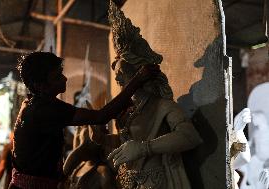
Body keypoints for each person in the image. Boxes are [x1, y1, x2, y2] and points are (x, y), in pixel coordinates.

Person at [10, 51, 159, 189]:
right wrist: (137, 80)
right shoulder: (46, 109)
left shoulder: (32, 103)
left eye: (61, 73)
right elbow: (101, 117)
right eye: (56, 77)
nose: (64, 78)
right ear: (40, 86)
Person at [107, 2, 202, 188]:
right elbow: (127, 142)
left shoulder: (163, 106)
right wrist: (103, 139)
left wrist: (144, 148)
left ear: (138, 73)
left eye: (122, 72)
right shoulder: (128, 109)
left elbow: (190, 136)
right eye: (116, 72)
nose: (117, 77)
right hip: (127, 181)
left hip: (155, 183)